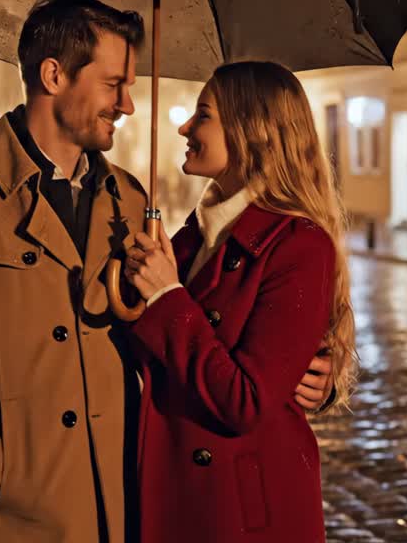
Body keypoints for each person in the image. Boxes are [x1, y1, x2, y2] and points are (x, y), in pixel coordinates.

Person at [0, 0, 334, 543]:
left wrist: (311, 375)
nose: (128, 105)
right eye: (114, 84)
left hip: (126, 507)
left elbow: (201, 335)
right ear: (54, 75)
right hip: (14, 519)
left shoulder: (130, 202)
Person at [124, 61, 357, 543]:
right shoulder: (191, 238)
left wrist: (167, 296)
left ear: (252, 132)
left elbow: (244, 401)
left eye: (202, 115)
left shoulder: (297, 244)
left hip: (242, 512)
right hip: (182, 494)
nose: (185, 127)